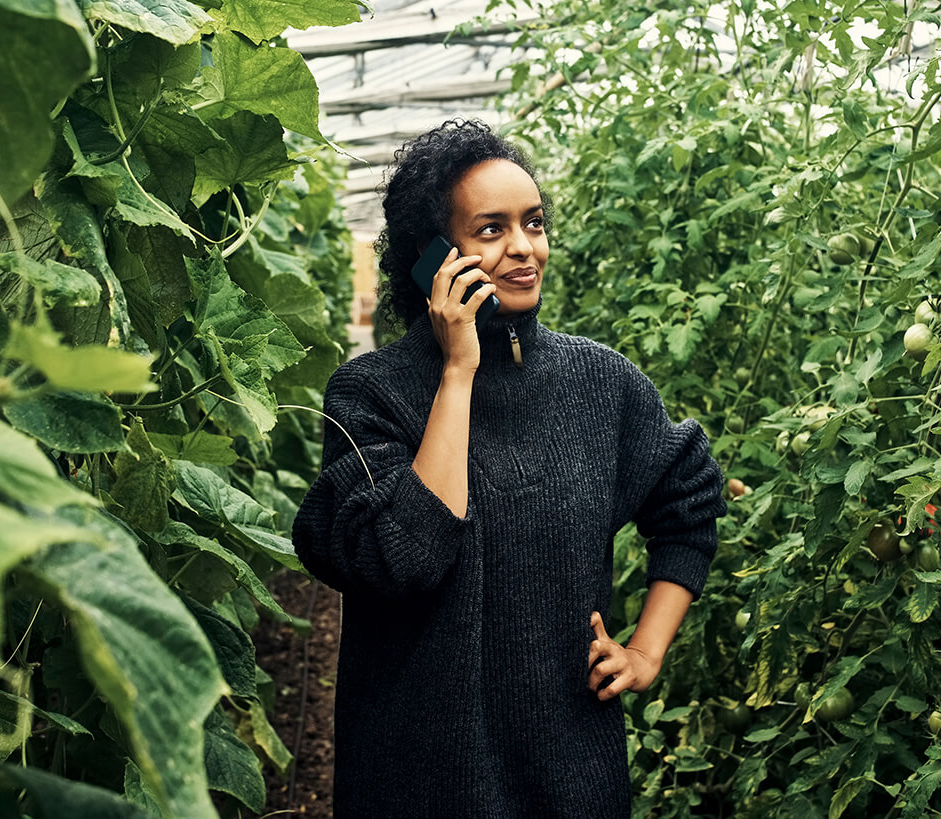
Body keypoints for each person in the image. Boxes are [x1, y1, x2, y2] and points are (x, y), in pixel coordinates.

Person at [290, 119, 724, 818]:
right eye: (491, 230)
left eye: (535, 223)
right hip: (419, 780)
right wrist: (458, 369)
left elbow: (689, 496)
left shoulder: (600, 382)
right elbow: (406, 555)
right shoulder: (370, 393)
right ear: (434, 257)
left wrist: (646, 650)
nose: (524, 249)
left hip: (571, 775)